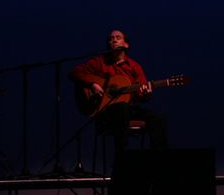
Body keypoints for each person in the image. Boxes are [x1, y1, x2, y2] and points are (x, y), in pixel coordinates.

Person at [68, 29, 169, 157]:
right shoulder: (99, 62)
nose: (114, 40)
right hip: (105, 112)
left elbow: (142, 97)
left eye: (118, 37)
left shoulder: (134, 67)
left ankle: (162, 161)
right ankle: (122, 158)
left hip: (128, 110)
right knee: (122, 108)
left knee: (158, 119)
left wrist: (146, 93)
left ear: (126, 44)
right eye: (111, 38)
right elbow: (74, 72)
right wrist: (92, 84)